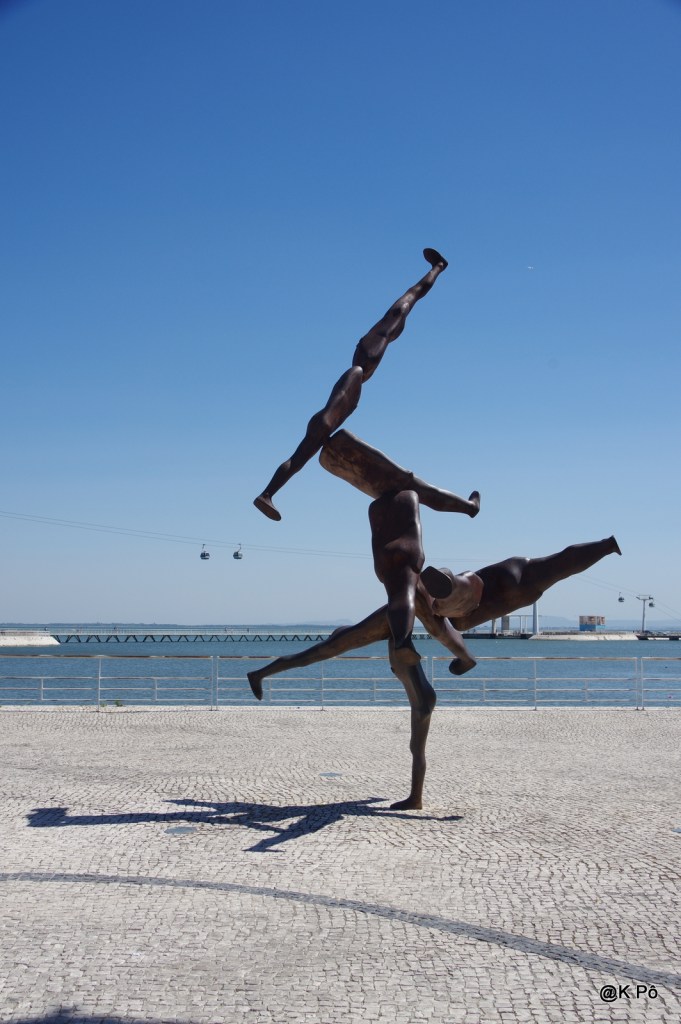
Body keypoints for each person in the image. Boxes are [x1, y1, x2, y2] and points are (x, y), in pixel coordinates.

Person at [253, 248, 449, 522]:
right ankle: (267, 494)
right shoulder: (360, 367)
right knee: (405, 303)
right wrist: (435, 270)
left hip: (323, 424)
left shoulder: (358, 377)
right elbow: (408, 300)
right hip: (324, 424)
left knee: (297, 461)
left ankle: (268, 494)